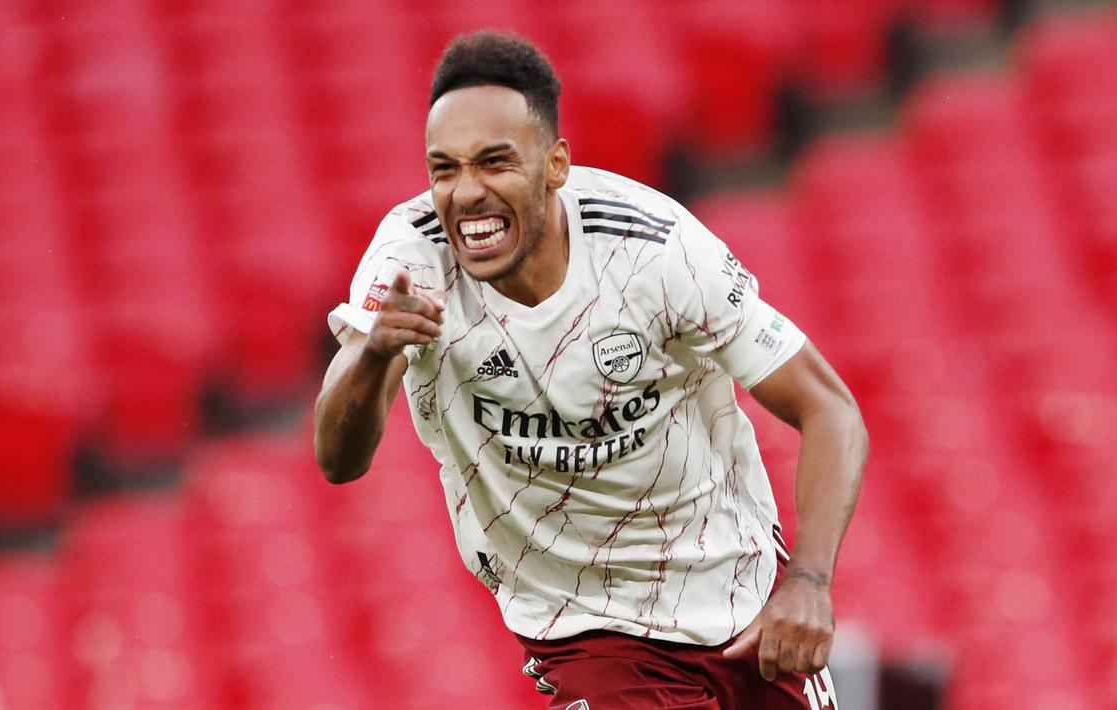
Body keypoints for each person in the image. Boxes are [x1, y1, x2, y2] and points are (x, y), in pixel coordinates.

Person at [314, 29, 867, 710]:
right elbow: (337, 460)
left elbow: (828, 408)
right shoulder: (411, 263)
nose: (466, 193)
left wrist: (808, 582)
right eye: (444, 169)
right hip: (583, 627)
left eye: (494, 162)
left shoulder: (654, 252)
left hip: (739, 598)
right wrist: (373, 355)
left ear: (555, 165)